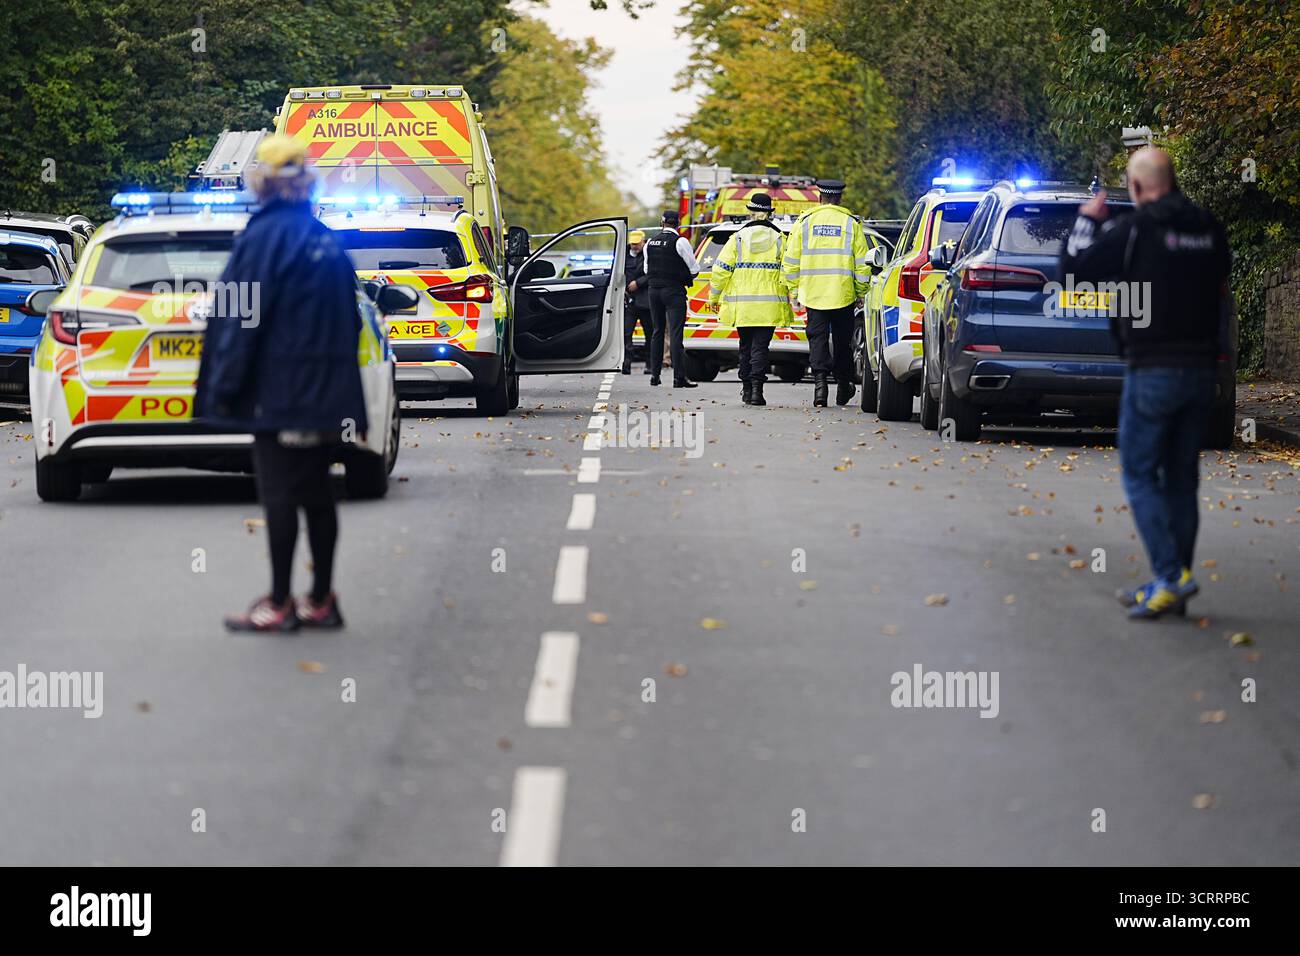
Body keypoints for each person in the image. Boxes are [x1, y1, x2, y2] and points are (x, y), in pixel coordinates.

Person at [194, 134, 368, 633]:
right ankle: (322, 599)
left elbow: (237, 319)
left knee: (279, 495)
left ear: (261, 183)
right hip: (325, 394)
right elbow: (352, 322)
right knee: (316, 492)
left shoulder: (260, 240)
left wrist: (222, 387)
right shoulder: (325, 240)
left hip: (278, 393)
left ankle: (279, 602)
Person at [1060, 146, 1230, 620]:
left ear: (1136, 188)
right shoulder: (1208, 228)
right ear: (1172, 180)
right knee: (1181, 478)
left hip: (1153, 368)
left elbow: (1074, 270)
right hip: (1201, 372)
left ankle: (1171, 576)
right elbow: (1220, 283)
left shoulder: (1135, 229)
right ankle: (1171, 581)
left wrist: (1086, 221)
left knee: (1138, 473)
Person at [782, 179, 871, 407]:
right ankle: (843, 385)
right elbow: (862, 263)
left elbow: (791, 261)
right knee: (843, 342)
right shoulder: (851, 224)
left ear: (819, 197)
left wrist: (794, 290)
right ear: (839, 198)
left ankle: (820, 388)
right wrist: (861, 291)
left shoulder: (804, 222)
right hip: (843, 294)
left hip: (814, 293)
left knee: (818, 340)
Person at [708, 193, 791, 406]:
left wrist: (714, 296)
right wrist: (796, 294)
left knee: (745, 346)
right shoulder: (781, 239)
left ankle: (746, 389)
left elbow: (721, 269)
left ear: (750, 212)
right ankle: (757, 391)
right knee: (761, 347)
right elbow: (790, 270)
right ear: (770, 213)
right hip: (770, 305)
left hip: (742, 305)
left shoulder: (737, 238)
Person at [642, 210, 700, 388]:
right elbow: (694, 269)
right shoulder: (681, 241)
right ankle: (679, 378)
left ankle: (655, 375)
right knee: (675, 334)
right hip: (673, 292)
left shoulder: (650, 242)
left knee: (657, 332)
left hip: (653, 291)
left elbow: (646, 270)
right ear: (678, 224)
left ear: (662, 223)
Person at [623, 230, 652, 374]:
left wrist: (638, 283)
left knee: (650, 334)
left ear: (643, 242)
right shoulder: (623, 256)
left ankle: (650, 365)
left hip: (645, 300)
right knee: (626, 333)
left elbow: (652, 273)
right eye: (632, 244)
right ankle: (626, 363)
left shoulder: (649, 254)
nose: (635, 246)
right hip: (630, 301)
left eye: (637, 244)